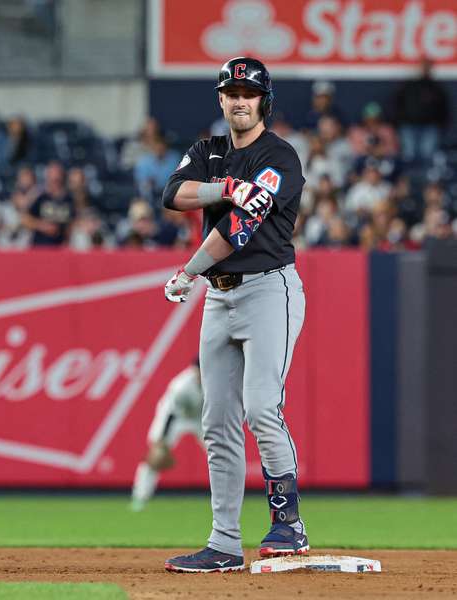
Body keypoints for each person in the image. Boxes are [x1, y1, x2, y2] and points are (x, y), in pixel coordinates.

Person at [162, 57, 308, 572]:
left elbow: (240, 231)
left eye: (249, 92)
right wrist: (223, 187)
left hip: (269, 289)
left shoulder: (280, 156)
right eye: (232, 92)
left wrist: (188, 270)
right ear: (221, 99)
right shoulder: (209, 151)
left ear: (263, 100)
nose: (240, 100)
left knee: (262, 408)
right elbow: (172, 194)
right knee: (216, 422)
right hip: (220, 298)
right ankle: (224, 543)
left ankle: (288, 524)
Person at [130, 359, 203, 511]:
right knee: (155, 456)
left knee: (222, 454)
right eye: (198, 370)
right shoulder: (182, 387)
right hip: (176, 418)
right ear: (193, 370)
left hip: (200, 418)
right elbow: (171, 414)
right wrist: (162, 441)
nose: (200, 374)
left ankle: (231, 497)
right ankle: (140, 497)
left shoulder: (216, 380)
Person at [392, 59, 451, 165]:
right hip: (409, 126)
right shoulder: (409, 85)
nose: (425, 69)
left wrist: (440, 123)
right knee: (408, 156)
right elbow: (398, 104)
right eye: (423, 66)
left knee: (428, 156)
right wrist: (401, 121)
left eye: (427, 67)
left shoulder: (436, 87)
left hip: (430, 127)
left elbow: (443, 108)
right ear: (418, 67)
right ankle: (408, 180)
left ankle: (427, 180)